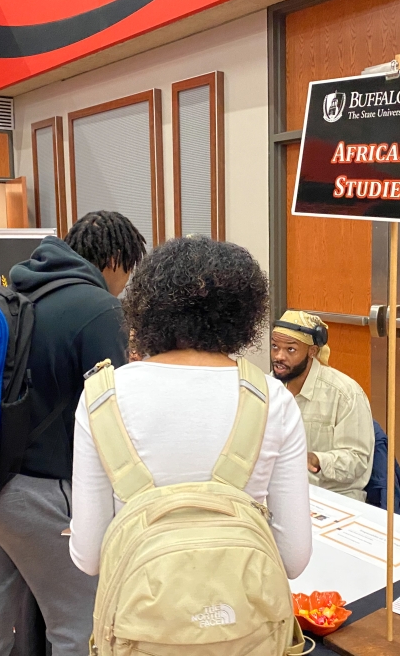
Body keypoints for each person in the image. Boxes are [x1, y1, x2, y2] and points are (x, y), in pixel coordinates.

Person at [0, 210, 146, 656]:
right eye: (129, 270)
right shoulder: (99, 308)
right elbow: (111, 413)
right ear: (115, 259)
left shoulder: (16, 290)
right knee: (80, 624)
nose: (126, 283)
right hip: (40, 493)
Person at [71, 236, 313, 580]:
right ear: (244, 316)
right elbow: (294, 559)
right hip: (245, 618)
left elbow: (89, 558)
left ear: (146, 308)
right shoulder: (273, 400)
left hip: (140, 621)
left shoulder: (102, 396)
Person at [271, 310, 375, 502]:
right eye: (275, 347)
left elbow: (358, 460)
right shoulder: (267, 387)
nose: (279, 356)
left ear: (312, 352)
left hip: (335, 496)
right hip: (280, 489)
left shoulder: (345, 393)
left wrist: (317, 460)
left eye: (290, 349)